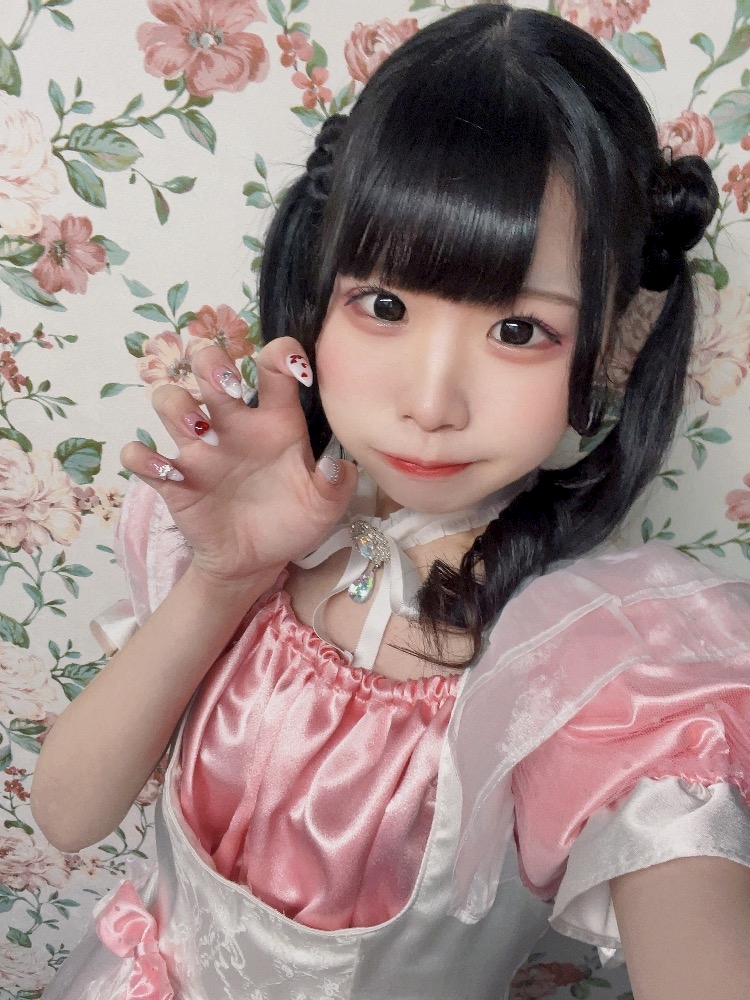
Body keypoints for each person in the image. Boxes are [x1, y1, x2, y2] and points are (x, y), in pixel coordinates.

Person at [31, 4, 750, 999]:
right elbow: (67, 815)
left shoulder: (590, 669)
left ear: (613, 344)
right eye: (384, 306)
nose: (431, 402)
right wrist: (224, 579)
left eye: (519, 331)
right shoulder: (233, 519)